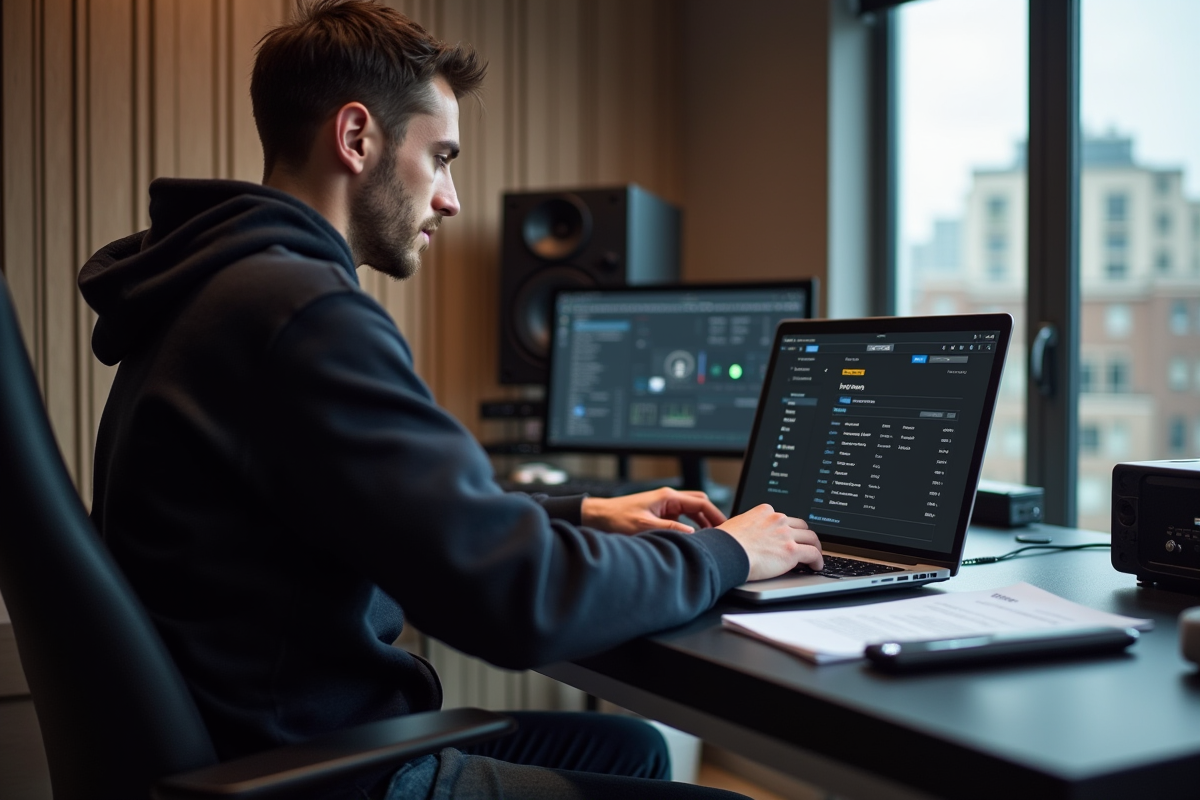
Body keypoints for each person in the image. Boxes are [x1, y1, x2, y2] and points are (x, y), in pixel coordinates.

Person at [77, 1, 823, 797]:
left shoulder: (210, 292)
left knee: (631, 748)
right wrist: (729, 552)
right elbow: (516, 601)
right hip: (327, 774)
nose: (451, 199)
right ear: (356, 138)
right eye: (440, 157)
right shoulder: (302, 313)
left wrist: (579, 513)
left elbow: (398, 518)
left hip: (263, 739)